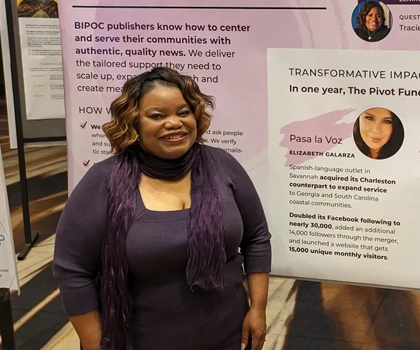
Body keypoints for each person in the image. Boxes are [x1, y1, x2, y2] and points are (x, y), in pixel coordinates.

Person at [53, 67, 272, 350]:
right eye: (158, 116)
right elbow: (73, 271)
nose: (175, 123)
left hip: (226, 335)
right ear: (133, 122)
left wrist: (258, 309)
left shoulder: (222, 165)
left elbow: (256, 239)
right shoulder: (103, 181)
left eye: (183, 112)